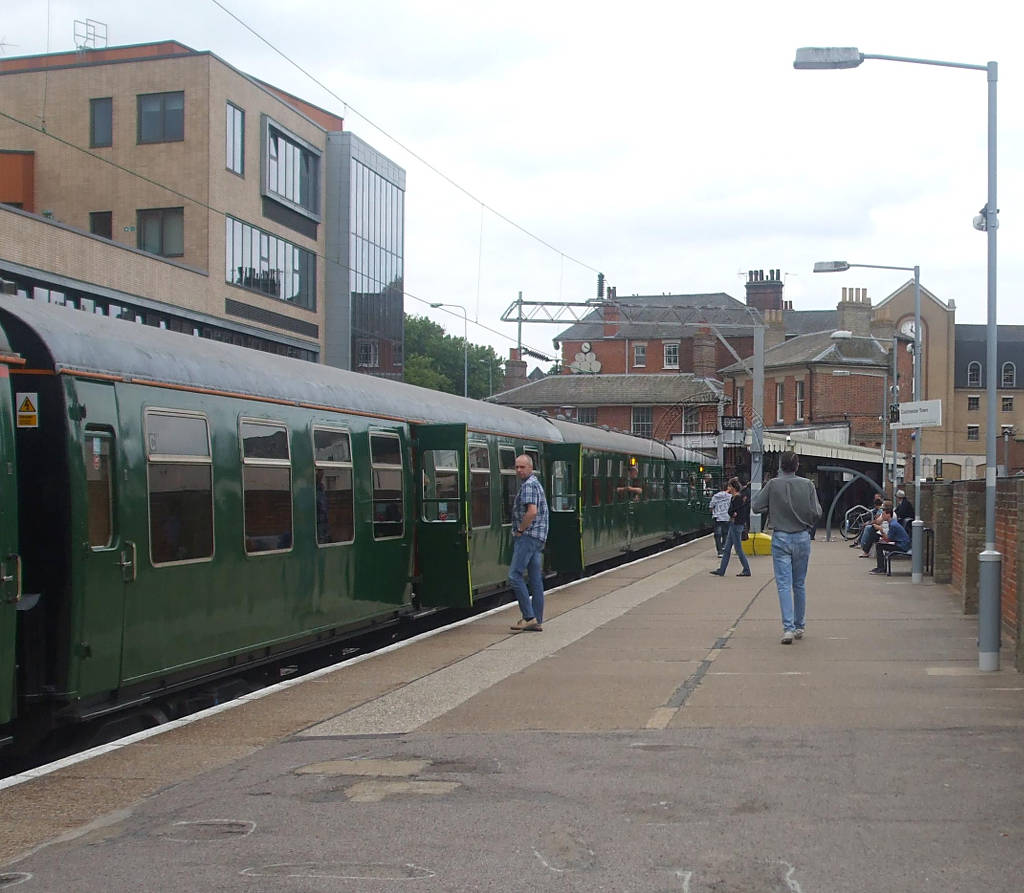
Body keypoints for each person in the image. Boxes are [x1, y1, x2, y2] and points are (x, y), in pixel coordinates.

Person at [750, 451, 821, 644]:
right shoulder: (808, 485)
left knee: (783, 584)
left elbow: (756, 506)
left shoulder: (773, 484)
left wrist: (773, 508)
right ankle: (800, 626)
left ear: (781, 466)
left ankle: (788, 628)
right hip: (802, 537)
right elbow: (817, 512)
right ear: (797, 466)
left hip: (781, 537)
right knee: (799, 584)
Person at [509, 454, 549, 632]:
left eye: (522, 467)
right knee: (535, 580)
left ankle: (528, 617)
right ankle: (537, 620)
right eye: (517, 467)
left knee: (515, 575)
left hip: (528, 536)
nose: (519, 470)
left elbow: (531, 512)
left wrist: (520, 530)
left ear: (530, 468)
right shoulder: (536, 484)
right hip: (538, 537)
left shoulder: (528, 486)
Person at [709, 477, 751, 578]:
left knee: (738, 549)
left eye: (729, 486)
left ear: (733, 487)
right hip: (734, 524)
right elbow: (733, 512)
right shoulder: (737, 497)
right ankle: (721, 570)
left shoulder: (737, 498)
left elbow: (733, 511)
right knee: (727, 549)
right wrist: (732, 514)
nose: (728, 488)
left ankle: (746, 569)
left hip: (736, 525)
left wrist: (733, 514)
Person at [869, 505, 910, 575]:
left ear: (888, 515)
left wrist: (880, 530)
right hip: (901, 544)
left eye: (883, 514)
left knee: (879, 546)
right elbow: (889, 538)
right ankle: (881, 567)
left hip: (902, 546)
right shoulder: (893, 523)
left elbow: (888, 539)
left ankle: (881, 568)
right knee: (880, 544)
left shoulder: (893, 525)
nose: (882, 516)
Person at [709, 484, 731, 557]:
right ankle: (724, 546)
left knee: (718, 535)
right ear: (727, 488)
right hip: (726, 517)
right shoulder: (730, 496)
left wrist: (714, 512)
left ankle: (719, 551)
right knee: (726, 533)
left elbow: (711, 507)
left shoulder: (715, 496)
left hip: (717, 517)